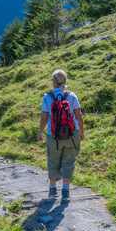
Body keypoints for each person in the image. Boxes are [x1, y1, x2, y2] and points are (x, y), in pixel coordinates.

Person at [37, 69, 84, 198]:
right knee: (69, 161)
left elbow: (44, 118)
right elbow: (79, 116)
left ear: (53, 82)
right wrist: (81, 131)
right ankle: (65, 190)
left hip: (53, 135)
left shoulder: (47, 97)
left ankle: (52, 189)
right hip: (71, 133)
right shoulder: (72, 96)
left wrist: (40, 132)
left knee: (53, 161)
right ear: (65, 81)